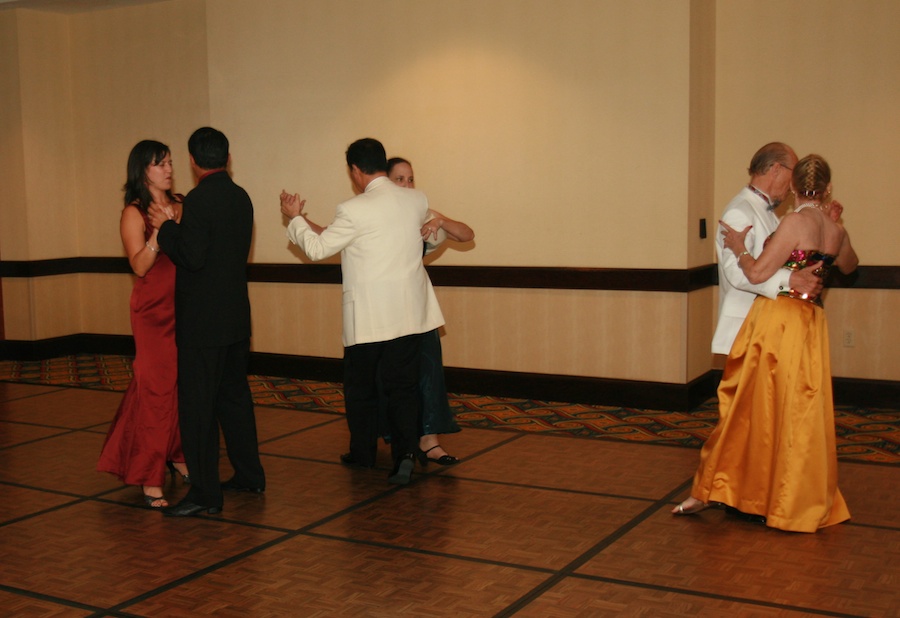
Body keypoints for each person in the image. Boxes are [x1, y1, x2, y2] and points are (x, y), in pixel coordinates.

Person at [674, 154, 859, 532]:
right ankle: (778, 495)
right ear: (827, 188)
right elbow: (850, 266)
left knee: (755, 409)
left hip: (778, 323)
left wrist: (741, 246)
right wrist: (829, 233)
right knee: (791, 409)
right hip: (810, 322)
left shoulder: (790, 220)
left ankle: (747, 493)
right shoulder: (833, 229)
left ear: (793, 185)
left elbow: (755, 271)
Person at [279, 138, 444, 485]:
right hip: (410, 315)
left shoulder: (354, 209)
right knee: (403, 389)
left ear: (355, 171)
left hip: (368, 319)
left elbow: (317, 249)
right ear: (383, 164)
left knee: (361, 389)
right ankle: (405, 454)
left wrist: (295, 218)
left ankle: (364, 454)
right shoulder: (416, 199)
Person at [149, 127, 266, 517]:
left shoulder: (198, 201)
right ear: (227, 158)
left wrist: (166, 227)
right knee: (234, 400)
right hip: (235, 317)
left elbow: (193, 256)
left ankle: (205, 494)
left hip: (202, 324)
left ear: (194, 161)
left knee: (198, 408)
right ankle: (250, 474)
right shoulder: (241, 197)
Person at [97, 140, 189, 509]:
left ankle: (178, 454)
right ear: (143, 170)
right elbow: (139, 265)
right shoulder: (133, 212)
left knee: (180, 387)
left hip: (184, 307)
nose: (168, 169)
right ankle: (150, 477)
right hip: (152, 313)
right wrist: (158, 233)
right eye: (159, 164)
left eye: (169, 162)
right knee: (156, 389)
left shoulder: (182, 205)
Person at [386, 156, 474, 465]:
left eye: (410, 179)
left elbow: (466, 234)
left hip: (419, 307)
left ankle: (430, 440)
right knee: (392, 378)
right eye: (400, 179)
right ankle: (394, 438)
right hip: (385, 309)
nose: (407, 185)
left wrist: (440, 220)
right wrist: (299, 221)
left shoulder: (422, 211)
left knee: (428, 372)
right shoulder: (373, 213)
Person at [712, 142, 825, 356]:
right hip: (746, 326)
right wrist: (789, 280)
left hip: (770, 325)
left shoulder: (768, 213)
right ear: (776, 169)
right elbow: (736, 274)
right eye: (794, 174)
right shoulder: (739, 212)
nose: (794, 186)